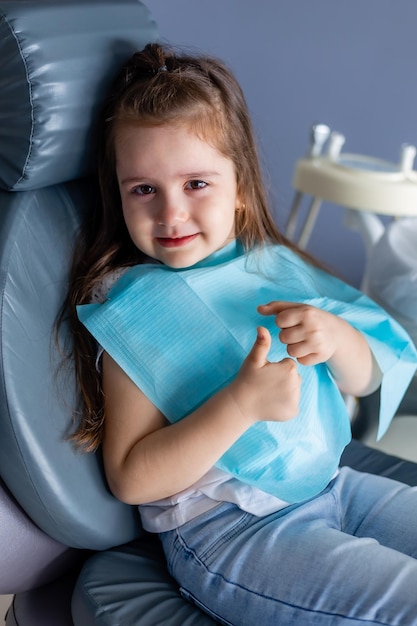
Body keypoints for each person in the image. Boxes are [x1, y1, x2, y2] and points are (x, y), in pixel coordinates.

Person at [67, 42, 417, 625]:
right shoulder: (134, 308)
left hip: (334, 487)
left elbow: (369, 373)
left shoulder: (271, 266)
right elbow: (131, 476)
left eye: (196, 184)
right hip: (231, 532)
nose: (171, 214)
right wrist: (240, 403)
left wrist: (338, 338)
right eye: (144, 190)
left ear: (242, 189)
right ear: (120, 196)